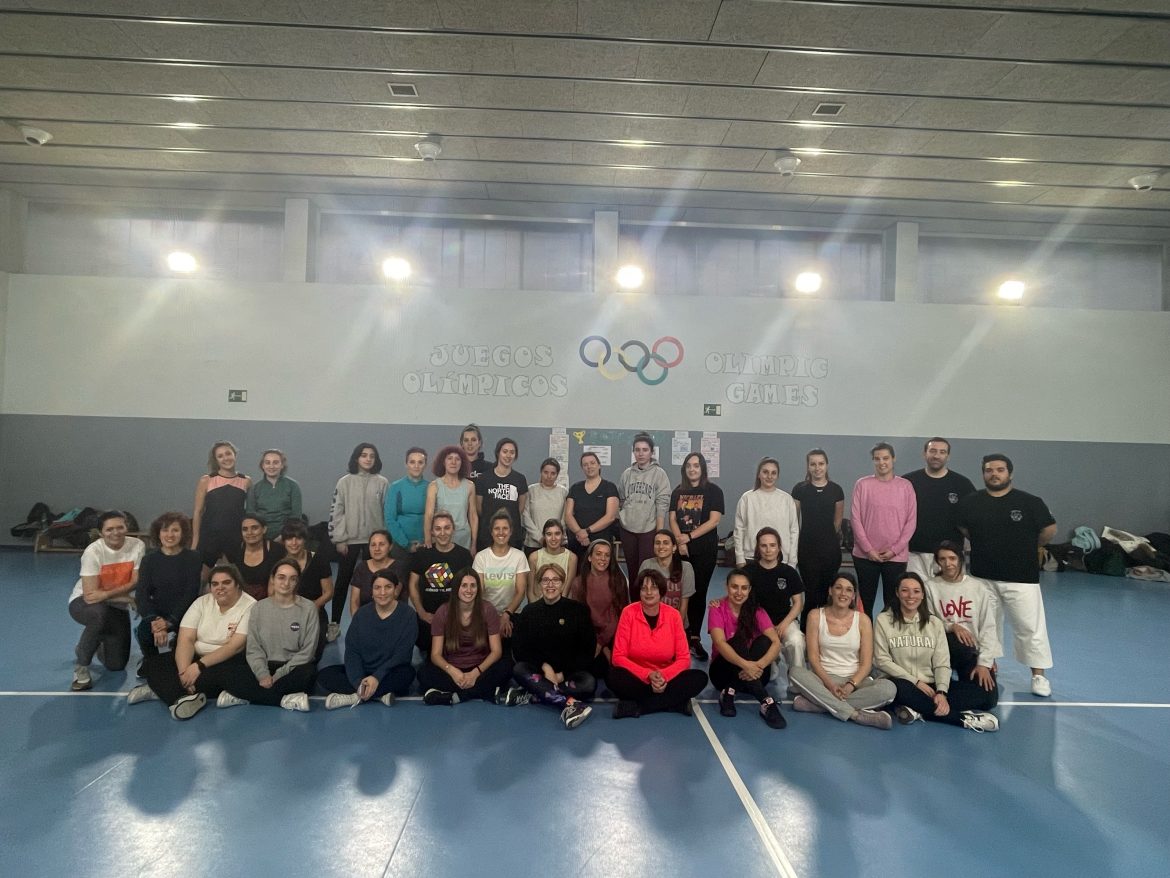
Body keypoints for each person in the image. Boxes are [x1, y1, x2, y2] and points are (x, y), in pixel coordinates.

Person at [957, 454, 1057, 697]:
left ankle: (1038, 676)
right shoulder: (972, 502)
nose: (994, 474)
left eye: (1000, 470)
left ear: (1009, 473)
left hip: (1021, 577)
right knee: (984, 626)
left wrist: (1025, 548)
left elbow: (1048, 530)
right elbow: (964, 528)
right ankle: (989, 665)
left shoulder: (1030, 502)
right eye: (989, 470)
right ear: (983, 474)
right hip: (982, 576)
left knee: (1029, 627)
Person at [127, 563, 256, 721]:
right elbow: (186, 639)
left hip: (226, 661)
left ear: (237, 584)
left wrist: (198, 666)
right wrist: (183, 672)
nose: (220, 588)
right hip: (195, 657)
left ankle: (161, 690)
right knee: (152, 664)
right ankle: (181, 698)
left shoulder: (251, 606)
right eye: (215, 584)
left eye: (226, 583)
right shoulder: (201, 603)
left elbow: (235, 647)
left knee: (219, 676)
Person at [873, 573, 999, 732]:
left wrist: (941, 692)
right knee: (897, 689)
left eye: (916, 591)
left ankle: (917, 709)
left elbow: (942, 663)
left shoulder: (934, 623)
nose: (911, 596)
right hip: (903, 682)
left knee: (986, 695)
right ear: (897, 593)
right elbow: (881, 660)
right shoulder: (883, 620)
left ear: (923, 595)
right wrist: (916, 682)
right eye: (905, 590)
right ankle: (962, 720)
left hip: (930, 685)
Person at [788, 572, 897, 729]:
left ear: (853, 596)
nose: (843, 593)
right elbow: (813, 659)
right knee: (795, 672)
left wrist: (850, 685)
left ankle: (818, 705)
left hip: (855, 682)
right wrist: (830, 685)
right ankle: (855, 714)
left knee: (889, 688)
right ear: (830, 591)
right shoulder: (815, 616)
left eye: (848, 590)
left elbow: (866, 664)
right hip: (823, 680)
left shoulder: (863, 620)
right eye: (838, 588)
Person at [216, 558, 318, 711]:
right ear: (273, 579)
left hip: (292, 668)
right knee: (227, 673)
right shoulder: (258, 608)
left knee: (308, 674)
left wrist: (278, 675)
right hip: (265, 665)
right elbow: (253, 648)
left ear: (297, 582)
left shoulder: (309, 608)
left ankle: (244, 696)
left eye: (292, 579)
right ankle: (285, 700)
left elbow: (307, 652)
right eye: (281, 577)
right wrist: (262, 674)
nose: (286, 583)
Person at [608, 569, 708, 718]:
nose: (649, 592)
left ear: (661, 591)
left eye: (653, 587)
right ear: (639, 592)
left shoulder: (673, 615)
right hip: (637, 677)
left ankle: (638, 707)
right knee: (612, 676)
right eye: (644, 588)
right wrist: (647, 675)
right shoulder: (628, 612)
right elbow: (618, 657)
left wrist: (663, 676)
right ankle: (674, 703)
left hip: (665, 677)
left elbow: (684, 658)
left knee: (700, 678)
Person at [509, 564, 596, 729]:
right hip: (540, 673)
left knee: (589, 683)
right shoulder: (529, 612)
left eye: (555, 580)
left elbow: (587, 650)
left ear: (563, 584)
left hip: (568, 675)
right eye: (545, 580)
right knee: (519, 669)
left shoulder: (578, 610)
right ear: (539, 584)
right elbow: (520, 649)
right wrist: (544, 668)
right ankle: (569, 704)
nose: (550, 585)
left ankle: (538, 692)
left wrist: (561, 675)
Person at [68, 510, 146, 691]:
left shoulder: (137, 545)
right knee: (99, 615)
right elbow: (90, 595)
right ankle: (81, 668)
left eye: (120, 527)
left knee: (116, 665)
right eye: (109, 529)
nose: (116, 533)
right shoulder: (93, 552)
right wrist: (125, 598)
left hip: (114, 604)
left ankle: (93, 644)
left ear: (127, 527)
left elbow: (135, 581)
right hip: (83, 603)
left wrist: (107, 595)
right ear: (101, 532)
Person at [319, 568, 417, 708]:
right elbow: (352, 650)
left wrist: (377, 677)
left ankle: (355, 696)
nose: (382, 592)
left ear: (396, 589)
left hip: (389, 672)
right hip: (363, 671)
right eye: (377, 588)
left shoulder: (408, 615)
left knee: (408, 674)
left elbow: (402, 654)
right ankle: (376, 695)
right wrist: (358, 681)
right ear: (371, 591)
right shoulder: (361, 615)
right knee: (325, 675)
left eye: (388, 587)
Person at [924, 541, 1002, 709]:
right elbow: (928, 620)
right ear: (937, 561)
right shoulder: (930, 586)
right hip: (944, 647)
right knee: (960, 643)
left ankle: (937, 695)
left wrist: (984, 663)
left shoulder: (978, 587)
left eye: (952, 558)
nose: (947, 564)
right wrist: (951, 626)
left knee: (988, 699)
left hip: (971, 651)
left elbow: (988, 628)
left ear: (960, 559)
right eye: (942, 559)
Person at [707, 567, 786, 729]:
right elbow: (720, 643)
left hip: (756, 673)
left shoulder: (757, 611)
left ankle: (729, 693)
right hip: (722, 673)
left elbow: (776, 642)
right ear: (726, 587)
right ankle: (766, 702)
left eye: (744, 588)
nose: (739, 592)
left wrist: (759, 666)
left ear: (749, 590)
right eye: (734, 586)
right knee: (736, 642)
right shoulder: (717, 609)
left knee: (765, 641)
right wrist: (747, 665)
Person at [417, 569, 512, 705]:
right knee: (424, 674)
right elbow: (436, 654)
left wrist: (475, 673)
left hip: (480, 668)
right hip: (453, 669)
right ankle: (485, 691)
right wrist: (453, 672)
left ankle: (455, 697)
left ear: (478, 589)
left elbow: (496, 651)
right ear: (456, 588)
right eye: (464, 585)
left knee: (506, 668)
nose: (469, 590)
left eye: (473, 585)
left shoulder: (488, 609)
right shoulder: (443, 612)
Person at [328, 442, 389, 641]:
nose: (368, 459)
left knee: (374, 583)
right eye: (364, 455)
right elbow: (337, 512)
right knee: (343, 582)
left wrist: (385, 541)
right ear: (357, 458)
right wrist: (339, 538)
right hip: (350, 541)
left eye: (372, 456)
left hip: (375, 542)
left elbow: (386, 514)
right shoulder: (344, 482)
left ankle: (373, 621)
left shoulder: (382, 482)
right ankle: (334, 623)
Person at [669, 451, 724, 661]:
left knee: (699, 594)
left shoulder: (714, 491)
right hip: (682, 550)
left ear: (702, 469)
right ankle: (678, 635)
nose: (693, 469)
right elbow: (672, 518)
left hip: (704, 550)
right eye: (689, 466)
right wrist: (679, 540)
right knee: (681, 594)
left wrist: (688, 537)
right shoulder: (678, 491)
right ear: (685, 469)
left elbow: (714, 521)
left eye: (696, 466)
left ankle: (694, 638)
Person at [850, 442, 916, 618]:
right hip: (865, 556)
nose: (882, 462)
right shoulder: (862, 485)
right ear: (873, 461)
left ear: (893, 459)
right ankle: (866, 642)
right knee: (866, 603)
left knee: (892, 603)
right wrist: (868, 549)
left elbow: (911, 522)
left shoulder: (906, 486)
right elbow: (855, 519)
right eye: (877, 459)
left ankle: (886, 643)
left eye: (885, 458)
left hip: (896, 557)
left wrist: (895, 549)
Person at [135, 511, 202, 671]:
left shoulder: (193, 558)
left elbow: (191, 592)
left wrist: (170, 621)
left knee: (185, 655)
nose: (170, 535)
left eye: (175, 530)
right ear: (158, 534)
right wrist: (155, 622)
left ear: (183, 533)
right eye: (165, 530)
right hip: (158, 613)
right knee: (144, 631)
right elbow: (142, 594)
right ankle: (150, 661)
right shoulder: (149, 559)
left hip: (185, 613)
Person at [903, 438, 976, 580]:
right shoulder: (908, 482)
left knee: (949, 599)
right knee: (916, 598)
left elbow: (974, 517)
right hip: (914, 553)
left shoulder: (962, 484)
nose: (937, 455)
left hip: (950, 555)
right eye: (932, 451)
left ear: (948, 456)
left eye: (942, 452)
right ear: (924, 454)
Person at [742, 527, 806, 673]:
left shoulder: (789, 572)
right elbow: (736, 595)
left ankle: (799, 681)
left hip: (783, 622)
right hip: (757, 624)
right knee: (770, 676)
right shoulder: (748, 572)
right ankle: (773, 661)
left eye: (772, 545)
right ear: (758, 548)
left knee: (796, 641)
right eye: (763, 545)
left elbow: (798, 603)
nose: (768, 550)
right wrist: (719, 602)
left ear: (779, 547)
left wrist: (783, 625)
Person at [408, 511, 473, 653]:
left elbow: (471, 588)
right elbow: (412, 585)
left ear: (453, 530)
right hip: (428, 616)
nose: (442, 533)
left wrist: (462, 615)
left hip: (456, 617)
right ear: (431, 531)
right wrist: (421, 612)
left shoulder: (464, 555)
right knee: (426, 649)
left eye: (447, 528)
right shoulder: (421, 554)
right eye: (438, 528)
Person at [791, 448, 844, 620]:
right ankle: (807, 637)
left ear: (827, 465)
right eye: (813, 464)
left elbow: (837, 522)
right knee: (812, 596)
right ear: (808, 467)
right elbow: (793, 521)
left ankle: (826, 637)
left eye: (821, 464)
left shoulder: (836, 490)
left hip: (830, 551)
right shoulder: (799, 490)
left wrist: (826, 540)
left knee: (826, 595)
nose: (817, 468)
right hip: (807, 551)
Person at [568, 538, 628, 683]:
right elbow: (579, 619)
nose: (603, 558)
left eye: (607, 555)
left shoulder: (618, 580)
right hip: (589, 637)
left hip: (613, 636)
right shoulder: (578, 583)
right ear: (589, 557)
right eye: (599, 554)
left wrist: (602, 644)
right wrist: (595, 643)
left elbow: (618, 617)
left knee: (615, 677)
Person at [617, 432, 672, 588]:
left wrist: (659, 531)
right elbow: (621, 499)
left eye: (645, 450)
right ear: (633, 452)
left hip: (648, 529)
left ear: (652, 452)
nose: (641, 453)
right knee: (632, 571)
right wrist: (623, 517)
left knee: (647, 570)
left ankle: (647, 603)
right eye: (637, 449)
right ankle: (634, 605)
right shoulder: (627, 474)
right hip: (628, 529)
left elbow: (662, 503)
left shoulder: (659, 474)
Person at [279, 519, 333, 659]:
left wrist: (314, 605)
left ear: (305, 540)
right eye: (290, 538)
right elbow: (272, 591)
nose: (294, 542)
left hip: (314, 609)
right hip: (286, 610)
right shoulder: (278, 562)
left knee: (314, 652)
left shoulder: (318, 559)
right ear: (284, 541)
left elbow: (328, 592)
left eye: (299, 538)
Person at [192, 441, 251, 567]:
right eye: (220, 456)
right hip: (209, 536)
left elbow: (250, 512)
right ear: (216, 460)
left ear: (235, 454)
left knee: (236, 578)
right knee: (202, 578)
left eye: (228, 453)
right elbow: (198, 512)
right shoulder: (206, 480)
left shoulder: (246, 481)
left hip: (236, 537)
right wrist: (195, 541)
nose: (225, 458)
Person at [733, 457, 799, 568]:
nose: (769, 476)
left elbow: (794, 531)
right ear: (759, 474)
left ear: (777, 476)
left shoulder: (787, 499)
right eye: (765, 472)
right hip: (751, 558)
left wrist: (792, 561)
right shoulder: (747, 498)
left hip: (781, 559)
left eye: (773, 473)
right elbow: (739, 530)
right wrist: (740, 558)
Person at [472, 510, 529, 639]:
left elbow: (521, 591)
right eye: (497, 529)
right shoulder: (481, 557)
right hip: (486, 613)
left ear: (511, 531)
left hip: (512, 613)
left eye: (505, 528)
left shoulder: (519, 556)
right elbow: (479, 591)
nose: (501, 532)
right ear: (491, 532)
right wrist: (493, 617)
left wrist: (506, 614)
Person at [638, 530, 695, 643]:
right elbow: (641, 600)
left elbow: (683, 606)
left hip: (675, 624)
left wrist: (676, 632)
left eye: (665, 543)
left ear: (674, 547)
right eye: (657, 543)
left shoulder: (686, 568)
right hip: (651, 624)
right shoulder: (646, 564)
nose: (661, 546)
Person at [564, 450, 620, 562]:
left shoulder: (609, 487)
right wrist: (580, 533)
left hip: (601, 541)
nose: (589, 466)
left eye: (592, 463)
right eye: (585, 464)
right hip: (578, 540)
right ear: (582, 468)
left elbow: (610, 517)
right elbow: (568, 515)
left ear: (599, 465)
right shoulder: (575, 488)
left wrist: (587, 531)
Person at [476, 437, 528, 550]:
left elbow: (521, 507)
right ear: (498, 453)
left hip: (512, 536)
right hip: (487, 535)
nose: (508, 455)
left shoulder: (520, 479)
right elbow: (479, 508)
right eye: (505, 452)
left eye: (512, 452)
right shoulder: (484, 478)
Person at [424, 445, 478, 552]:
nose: (453, 462)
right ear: (443, 462)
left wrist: (474, 543)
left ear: (462, 463)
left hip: (463, 538)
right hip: (441, 538)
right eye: (449, 458)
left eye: (457, 459)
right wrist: (428, 537)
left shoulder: (470, 486)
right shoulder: (434, 486)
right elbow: (429, 515)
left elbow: (473, 515)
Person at [348, 529, 409, 619]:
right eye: (373, 545)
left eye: (381, 544)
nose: (377, 549)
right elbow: (354, 601)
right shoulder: (361, 567)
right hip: (365, 619)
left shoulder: (399, 567)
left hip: (394, 619)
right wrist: (357, 622)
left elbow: (392, 597)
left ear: (390, 546)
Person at [245, 448, 302, 540]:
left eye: (275, 462)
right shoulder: (254, 489)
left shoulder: (293, 486)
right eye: (267, 462)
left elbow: (296, 516)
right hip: (261, 537)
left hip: (287, 537)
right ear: (262, 465)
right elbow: (251, 516)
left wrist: (283, 536)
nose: (271, 466)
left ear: (282, 465)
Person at [384, 446, 428, 564]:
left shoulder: (431, 487)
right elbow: (390, 519)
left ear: (425, 465)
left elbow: (434, 517)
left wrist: (424, 540)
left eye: (420, 462)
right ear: (406, 464)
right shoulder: (395, 487)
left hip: (425, 544)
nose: (416, 466)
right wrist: (406, 544)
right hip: (400, 545)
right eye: (412, 462)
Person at [224, 513, 280, 601]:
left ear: (264, 529)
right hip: (239, 600)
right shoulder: (234, 549)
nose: (249, 533)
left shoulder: (277, 550)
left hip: (270, 600)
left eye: (254, 528)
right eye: (245, 529)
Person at [522, 457, 568, 552]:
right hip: (533, 544)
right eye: (546, 472)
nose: (549, 476)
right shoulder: (531, 490)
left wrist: (554, 537)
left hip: (558, 544)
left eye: (553, 473)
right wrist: (540, 538)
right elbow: (525, 516)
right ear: (541, 472)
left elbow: (565, 518)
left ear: (557, 475)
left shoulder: (563, 492)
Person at [527, 518, 577, 598]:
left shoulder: (572, 558)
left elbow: (566, 591)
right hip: (538, 605)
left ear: (563, 535)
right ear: (544, 536)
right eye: (549, 534)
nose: (553, 538)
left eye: (557, 534)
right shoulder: (534, 557)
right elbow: (530, 592)